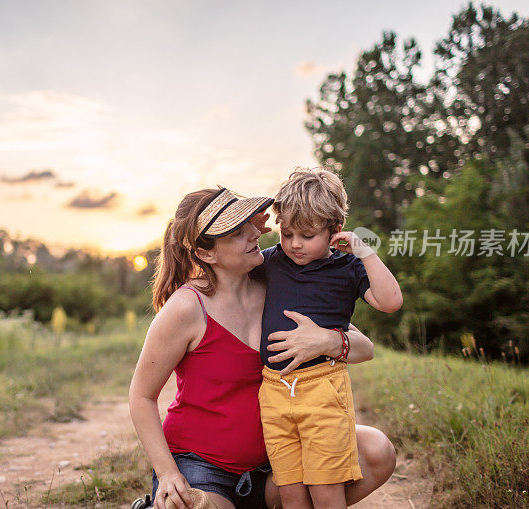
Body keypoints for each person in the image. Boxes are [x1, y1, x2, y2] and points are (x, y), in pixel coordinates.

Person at [129, 187, 397, 509]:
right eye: (238, 233)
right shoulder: (187, 307)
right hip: (200, 467)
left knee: (376, 451)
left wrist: (328, 340)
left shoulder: (276, 282)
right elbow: (141, 396)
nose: (256, 234)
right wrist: (168, 472)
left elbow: (364, 348)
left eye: (251, 225)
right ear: (206, 254)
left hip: (273, 462)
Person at [256, 168, 402, 508]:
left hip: (323, 389)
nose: (294, 243)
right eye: (287, 232)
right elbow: (232, 271)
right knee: (290, 490)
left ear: (335, 230)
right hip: (275, 391)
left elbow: (391, 301)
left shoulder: (347, 268)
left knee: (326, 489)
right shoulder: (274, 261)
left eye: (306, 235)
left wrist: (365, 252)